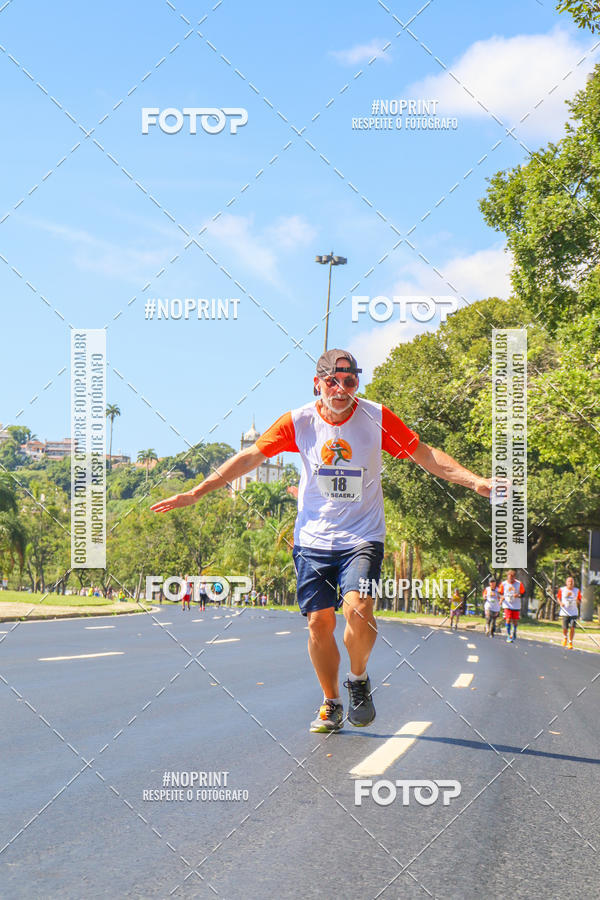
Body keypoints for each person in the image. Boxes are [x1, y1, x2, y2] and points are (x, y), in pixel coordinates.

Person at [151, 349, 492, 732]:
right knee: (319, 623)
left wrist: (475, 481)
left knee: (359, 608)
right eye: (333, 381)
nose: (341, 389)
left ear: (356, 383)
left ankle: (358, 679)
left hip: (363, 536)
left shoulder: (376, 417)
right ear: (318, 383)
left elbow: (425, 454)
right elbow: (249, 458)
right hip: (313, 540)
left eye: (349, 381)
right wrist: (196, 492)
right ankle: (331, 702)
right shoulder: (298, 421)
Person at [499, 570, 525, 642]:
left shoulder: (519, 584)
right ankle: (509, 635)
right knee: (508, 619)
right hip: (507, 604)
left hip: (516, 605)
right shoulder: (503, 584)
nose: (510, 579)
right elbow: (500, 593)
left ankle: (514, 631)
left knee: (515, 621)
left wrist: (518, 595)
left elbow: (523, 594)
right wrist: (501, 598)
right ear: (507, 577)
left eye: (512, 577)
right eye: (509, 577)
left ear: (514, 577)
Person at [556, 576, 581, 649]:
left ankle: (570, 642)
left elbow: (579, 601)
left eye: (572, 582)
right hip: (565, 612)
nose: (570, 583)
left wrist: (577, 600)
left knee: (572, 627)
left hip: (574, 612)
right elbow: (558, 598)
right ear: (566, 583)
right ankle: (565, 638)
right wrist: (561, 603)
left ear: (574, 583)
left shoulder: (577, 590)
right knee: (565, 628)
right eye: (569, 581)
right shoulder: (562, 589)